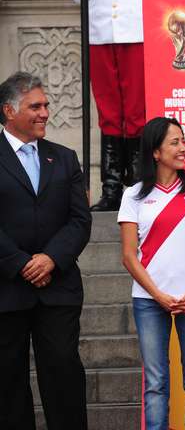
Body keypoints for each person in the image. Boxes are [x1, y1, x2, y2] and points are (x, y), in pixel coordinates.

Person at [0, 72, 91, 430]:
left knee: (64, 373)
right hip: (7, 289)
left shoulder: (65, 158)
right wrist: (22, 263)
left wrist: (51, 258)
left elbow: (79, 220)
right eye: (35, 106)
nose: (45, 113)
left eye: (46, 105)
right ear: (9, 110)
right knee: (7, 381)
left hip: (59, 288)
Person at [118, 117, 185, 430]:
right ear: (155, 152)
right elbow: (128, 256)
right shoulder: (133, 195)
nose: (183, 148)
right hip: (149, 302)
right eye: (174, 142)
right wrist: (159, 296)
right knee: (156, 382)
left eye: (183, 140)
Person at [70, 0, 168, 211]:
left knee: (136, 112)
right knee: (109, 114)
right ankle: (111, 189)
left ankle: (139, 184)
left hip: (137, 34)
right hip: (101, 35)